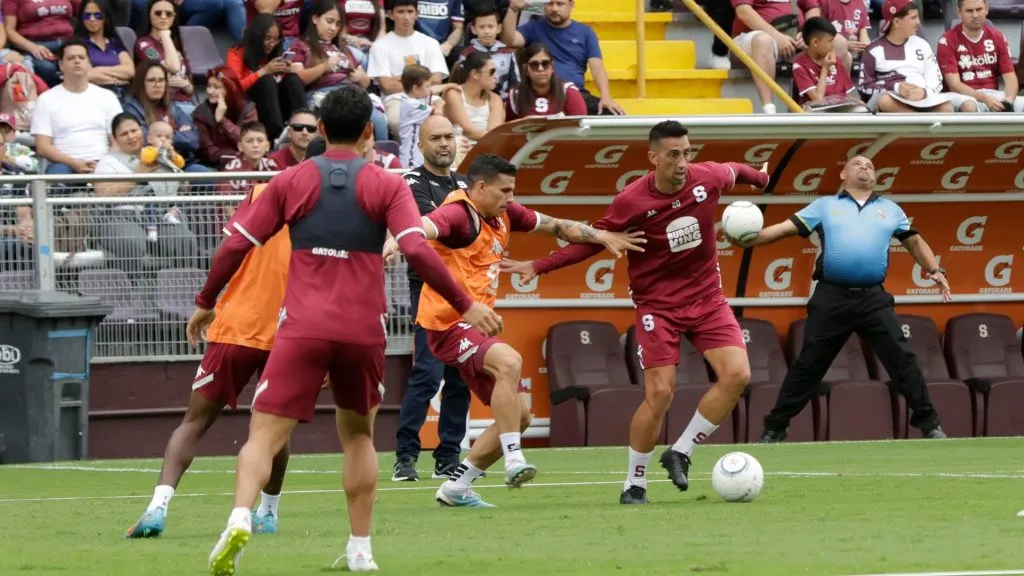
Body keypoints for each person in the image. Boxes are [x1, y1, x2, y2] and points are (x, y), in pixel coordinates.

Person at [198, 84, 501, 575]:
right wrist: (464, 303)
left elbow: (235, 246)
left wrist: (204, 302)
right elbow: (418, 250)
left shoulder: (291, 180)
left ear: (318, 129)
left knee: (263, 434)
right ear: (368, 133)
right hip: (362, 330)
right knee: (358, 437)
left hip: (301, 327)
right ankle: (361, 549)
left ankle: (239, 516)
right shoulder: (387, 183)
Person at [502, 120, 769, 505]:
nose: (682, 162)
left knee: (738, 375)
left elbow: (736, 171)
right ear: (654, 157)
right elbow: (593, 243)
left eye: (687, 152)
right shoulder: (631, 201)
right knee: (660, 393)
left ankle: (680, 451)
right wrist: (538, 265)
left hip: (707, 299)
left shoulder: (706, 178)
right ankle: (634, 483)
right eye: (674, 154)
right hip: (658, 306)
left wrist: (760, 178)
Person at [384, 153, 646, 508]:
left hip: (475, 324)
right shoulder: (459, 214)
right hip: (446, 324)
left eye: (513, 191)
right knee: (509, 361)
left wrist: (601, 234)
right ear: (479, 187)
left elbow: (555, 226)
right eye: (504, 191)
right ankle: (514, 459)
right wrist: (399, 238)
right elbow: (424, 226)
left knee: (520, 416)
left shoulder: (505, 212)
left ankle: (457, 487)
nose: (510, 198)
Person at [727, 155, 950, 442]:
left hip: (872, 299)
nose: (865, 167)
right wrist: (747, 238)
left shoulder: (890, 209)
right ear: (843, 173)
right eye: (858, 164)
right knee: (809, 365)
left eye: (870, 165)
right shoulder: (825, 206)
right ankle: (775, 427)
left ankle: (931, 425)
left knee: (902, 360)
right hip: (831, 297)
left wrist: (935, 270)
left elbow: (914, 241)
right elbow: (783, 229)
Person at [125, 175, 292, 540]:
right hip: (289, 333)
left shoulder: (265, 192)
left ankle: (157, 507)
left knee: (193, 423)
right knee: (273, 431)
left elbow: (229, 248)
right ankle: (267, 514)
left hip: (237, 326)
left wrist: (205, 301)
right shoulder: (334, 208)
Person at [392, 115, 472, 482]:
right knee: (428, 372)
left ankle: (449, 456)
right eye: (436, 138)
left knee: (461, 375)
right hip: (428, 288)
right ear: (421, 145)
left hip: (466, 291)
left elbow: (477, 229)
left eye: (449, 136)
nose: (444, 144)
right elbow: (436, 228)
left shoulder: (465, 184)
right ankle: (405, 456)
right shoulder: (412, 182)